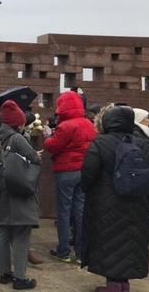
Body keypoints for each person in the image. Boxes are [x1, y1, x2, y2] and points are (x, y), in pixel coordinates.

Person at [81, 106, 149, 292]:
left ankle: (113, 287)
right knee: (129, 245)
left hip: (106, 204)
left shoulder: (100, 142)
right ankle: (122, 287)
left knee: (110, 245)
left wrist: (87, 190)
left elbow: (88, 174)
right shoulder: (143, 143)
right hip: (138, 203)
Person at [43, 91, 96, 263]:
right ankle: (81, 253)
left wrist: (48, 136)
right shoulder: (88, 123)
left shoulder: (65, 126)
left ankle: (64, 250)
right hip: (84, 170)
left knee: (64, 211)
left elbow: (53, 147)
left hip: (66, 171)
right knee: (80, 209)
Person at [0, 101, 41, 290]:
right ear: (17, 122)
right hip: (19, 191)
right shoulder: (17, 138)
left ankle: (4, 273)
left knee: (3, 231)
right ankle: (20, 278)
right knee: (21, 234)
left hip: (1, 191)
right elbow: (34, 159)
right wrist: (35, 156)